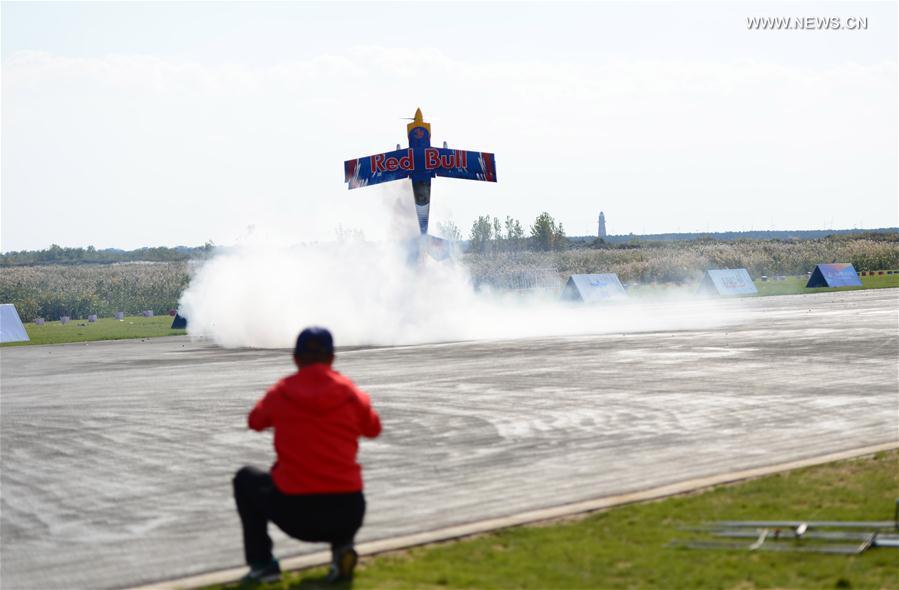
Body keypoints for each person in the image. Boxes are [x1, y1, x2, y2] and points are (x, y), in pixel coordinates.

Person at [233, 327, 381, 586]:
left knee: (245, 478)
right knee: (340, 482)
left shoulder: (281, 392)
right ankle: (341, 550)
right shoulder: (350, 393)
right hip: (348, 512)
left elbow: (255, 421)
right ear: (332, 358)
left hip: (297, 514)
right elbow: (373, 429)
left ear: (295, 358)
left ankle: (262, 564)